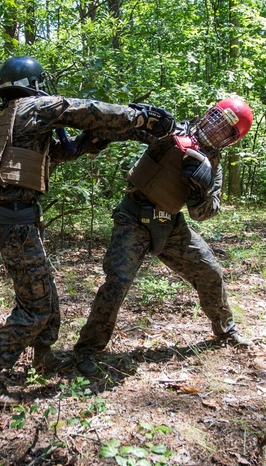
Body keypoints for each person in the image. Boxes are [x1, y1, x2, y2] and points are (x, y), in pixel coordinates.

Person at [0, 55, 176, 406]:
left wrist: (82, 148)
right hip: (15, 222)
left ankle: (43, 357)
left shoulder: (6, 119)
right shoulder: (33, 107)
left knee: (44, 292)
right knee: (35, 306)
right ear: (34, 85)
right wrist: (140, 117)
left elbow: (46, 155)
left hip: (11, 218)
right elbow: (83, 109)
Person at [73, 96, 255, 377]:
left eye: (225, 131)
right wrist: (95, 137)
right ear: (208, 115)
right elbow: (129, 127)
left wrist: (202, 188)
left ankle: (226, 329)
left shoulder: (213, 165)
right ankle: (87, 349)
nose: (216, 130)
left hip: (171, 224)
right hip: (134, 216)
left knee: (210, 272)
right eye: (217, 120)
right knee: (118, 281)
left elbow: (204, 211)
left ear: (229, 140)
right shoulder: (172, 132)